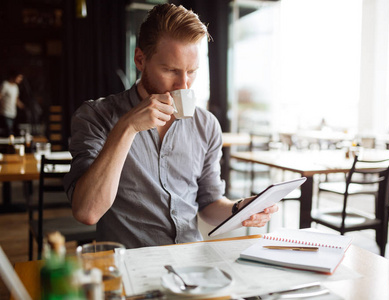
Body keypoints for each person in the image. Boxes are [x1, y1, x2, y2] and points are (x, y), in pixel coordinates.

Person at [63, 3, 278, 249]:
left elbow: (208, 205)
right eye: (171, 70)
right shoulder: (96, 116)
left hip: (190, 260)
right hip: (130, 265)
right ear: (140, 59)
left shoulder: (206, 125)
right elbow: (87, 212)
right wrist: (127, 127)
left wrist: (239, 209)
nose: (184, 85)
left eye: (192, 72)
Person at [0, 70, 25, 136]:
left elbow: (16, 99)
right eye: (19, 77)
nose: (20, 79)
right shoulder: (5, 85)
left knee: (14, 132)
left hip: (13, 113)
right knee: (9, 132)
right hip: (5, 112)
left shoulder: (15, 87)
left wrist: (22, 106)